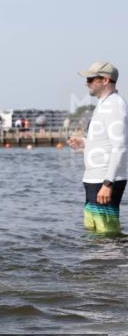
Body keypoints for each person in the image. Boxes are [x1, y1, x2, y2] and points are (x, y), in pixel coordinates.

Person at [68, 61, 127, 235]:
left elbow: (121, 146)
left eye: (91, 79)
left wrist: (108, 183)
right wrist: (85, 143)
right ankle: (96, 262)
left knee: (106, 233)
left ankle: (112, 261)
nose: (86, 83)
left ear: (106, 80)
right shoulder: (104, 104)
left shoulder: (115, 105)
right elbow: (107, 142)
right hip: (94, 179)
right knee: (94, 232)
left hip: (104, 179)